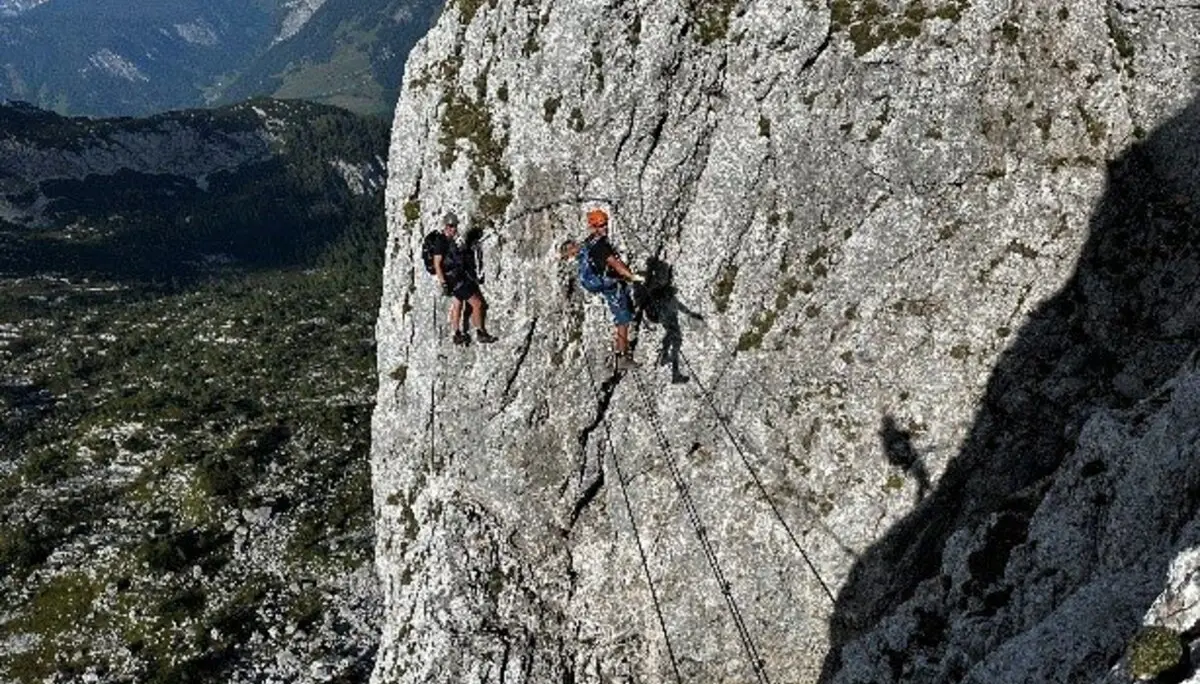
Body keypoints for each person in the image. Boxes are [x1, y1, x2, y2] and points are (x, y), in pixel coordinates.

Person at [560, 208, 644, 371]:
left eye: (605, 224)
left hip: (600, 281)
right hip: (609, 285)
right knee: (623, 319)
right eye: (600, 226)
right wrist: (633, 277)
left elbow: (580, 250)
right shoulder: (601, 245)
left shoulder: (590, 240)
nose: (604, 228)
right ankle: (621, 357)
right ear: (593, 227)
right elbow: (616, 265)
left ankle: (621, 353)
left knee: (623, 312)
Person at [431, 211, 497, 345]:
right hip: (455, 280)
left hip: (458, 277)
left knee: (458, 304)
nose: (453, 228)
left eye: (454, 225)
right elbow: (437, 264)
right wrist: (443, 283)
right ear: (445, 226)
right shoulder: (440, 242)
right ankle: (480, 332)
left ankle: (456, 334)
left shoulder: (452, 240)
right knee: (477, 304)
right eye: (450, 226)